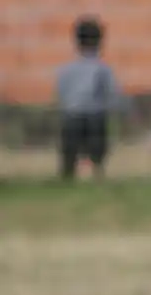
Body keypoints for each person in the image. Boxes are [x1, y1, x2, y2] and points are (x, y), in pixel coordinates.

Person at [54, 16, 129, 180]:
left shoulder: (67, 69)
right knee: (97, 150)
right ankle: (97, 172)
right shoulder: (102, 69)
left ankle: (67, 174)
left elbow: (61, 93)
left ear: (76, 41)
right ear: (100, 41)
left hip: (72, 116)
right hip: (95, 117)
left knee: (69, 152)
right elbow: (112, 94)